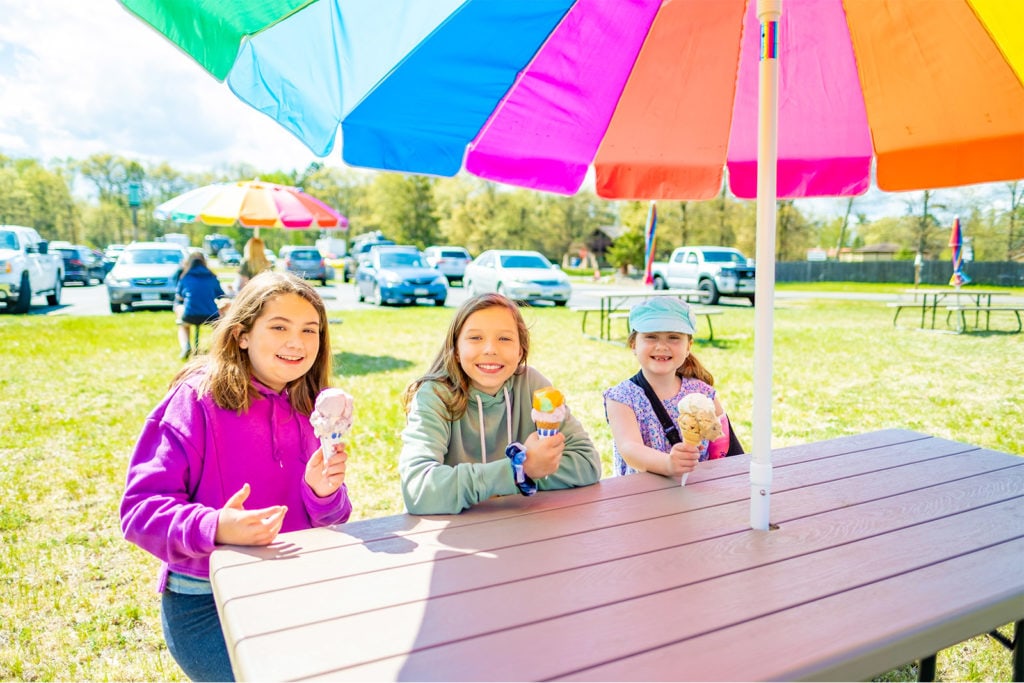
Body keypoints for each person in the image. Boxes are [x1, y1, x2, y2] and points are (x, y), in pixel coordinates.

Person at [120, 271, 353, 682]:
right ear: (242, 334)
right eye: (279, 327)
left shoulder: (310, 407)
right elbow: (139, 511)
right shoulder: (195, 400)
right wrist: (216, 526)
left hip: (295, 585)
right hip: (208, 601)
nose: (296, 342)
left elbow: (332, 517)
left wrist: (323, 493)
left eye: (309, 330)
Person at [399, 292, 601, 515]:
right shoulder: (435, 396)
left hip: (525, 527)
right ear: (456, 350)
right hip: (461, 536)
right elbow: (418, 489)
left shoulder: (532, 385)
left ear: (520, 350)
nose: (490, 349)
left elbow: (587, 463)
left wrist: (529, 470)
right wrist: (517, 471)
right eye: (475, 338)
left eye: (504, 339)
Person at [603, 297, 734, 479]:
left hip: (697, 493)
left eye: (673, 338)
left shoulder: (702, 393)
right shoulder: (621, 397)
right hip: (642, 497)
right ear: (634, 344)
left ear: (688, 346)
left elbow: (723, 443)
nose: (662, 346)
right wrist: (668, 464)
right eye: (651, 337)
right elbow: (630, 449)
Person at [174, 251, 226, 359]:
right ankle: (218, 347)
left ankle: (186, 345)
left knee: (182, 322)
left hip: (190, 314)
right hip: (211, 315)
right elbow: (221, 295)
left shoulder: (185, 276)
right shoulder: (211, 276)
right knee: (220, 322)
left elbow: (179, 296)